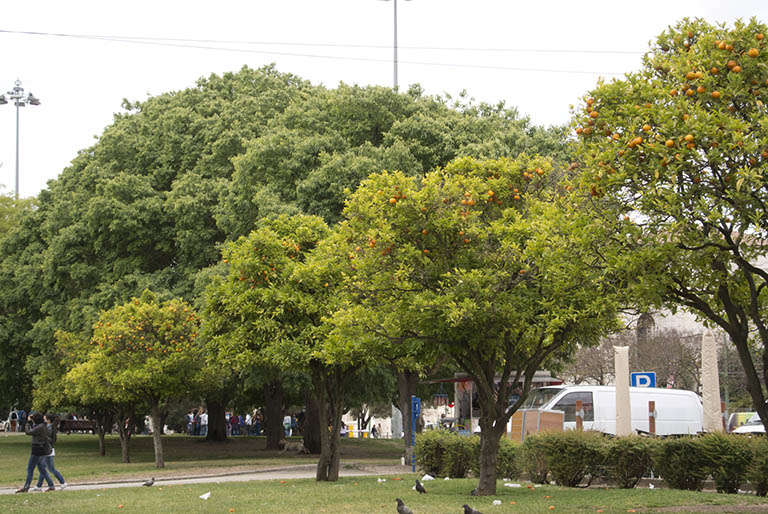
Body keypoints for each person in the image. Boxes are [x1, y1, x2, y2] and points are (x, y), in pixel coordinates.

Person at [16, 412, 55, 493]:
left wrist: (27, 423)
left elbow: (28, 432)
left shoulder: (40, 427)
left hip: (37, 450)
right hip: (41, 450)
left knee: (30, 469)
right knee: (42, 469)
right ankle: (51, 486)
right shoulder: (42, 426)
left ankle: (26, 487)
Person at [33, 414, 67, 491]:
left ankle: (62, 482)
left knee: (50, 468)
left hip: (47, 450)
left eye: (44, 419)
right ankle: (39, 485)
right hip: (48, 449)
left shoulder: (49, 427)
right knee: (43, 468)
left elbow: (50, 439)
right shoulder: (50, 427)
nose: (43, 420)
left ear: (48, 420)